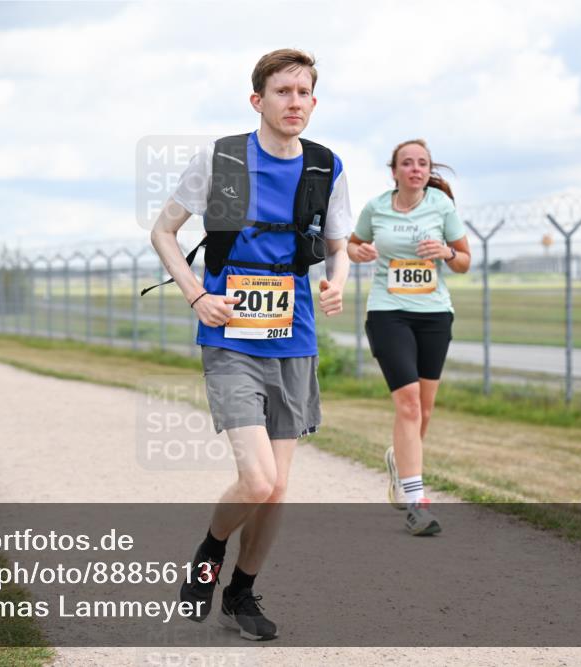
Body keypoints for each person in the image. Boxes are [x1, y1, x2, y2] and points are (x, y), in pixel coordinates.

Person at [148, 49, 351, 640]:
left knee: (278, 488)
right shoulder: (224, 159)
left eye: (304, 92)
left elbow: (336, 244)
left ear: (314, 101)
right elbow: (163, 230)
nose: (295, 102)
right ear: (257, 99)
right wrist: (194, 295)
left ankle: (242, 592)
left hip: (295, 338)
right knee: (258, 480)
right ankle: (209, 556)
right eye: (283, 91)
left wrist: (336, 282)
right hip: (230, 335)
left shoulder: (325, 167)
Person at [347, 139, 471, 536]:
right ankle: (416, 502)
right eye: (408, 163)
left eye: (423, 163)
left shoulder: (442, 206)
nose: (416, 169)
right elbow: (352, 244)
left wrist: (446, 254)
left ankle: (400, 462)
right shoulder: (377, 206)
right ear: (395, 170)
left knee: (425, 410)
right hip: (388, 312)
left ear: (428, 170)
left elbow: (465, 261)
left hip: (434, 315)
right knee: (409, 403)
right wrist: (359, 252)